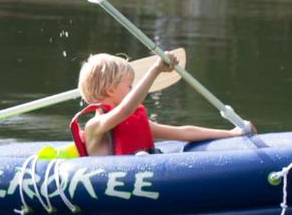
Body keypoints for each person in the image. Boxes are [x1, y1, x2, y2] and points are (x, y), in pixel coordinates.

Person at [69, 51, 250, 157]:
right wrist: (155, 70)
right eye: (129, 85)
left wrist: (232, 134)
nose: (133, 89)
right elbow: (126, 109)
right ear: (110, 90)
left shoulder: (132, 120)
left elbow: (182, 132)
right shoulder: (95, 126)